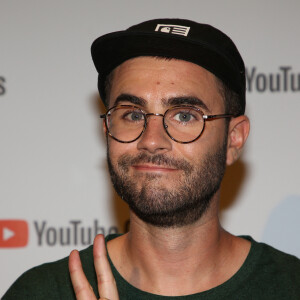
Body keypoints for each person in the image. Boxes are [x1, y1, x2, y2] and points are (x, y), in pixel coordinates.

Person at [3, 18, 300, 300]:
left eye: (185, 115)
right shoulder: (42, 292)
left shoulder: (290, 286)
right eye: (133, 114)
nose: (152, 140)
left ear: (234, 139)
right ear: (106, 129)